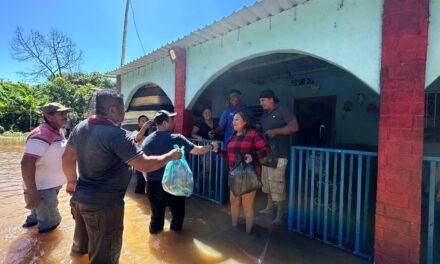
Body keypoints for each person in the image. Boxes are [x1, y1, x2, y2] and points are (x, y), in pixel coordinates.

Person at [62, 90, 182, 264]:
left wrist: (71, 181)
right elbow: (144, 164)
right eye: (122, 109)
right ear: (112, 110)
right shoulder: (116, 135)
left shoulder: (80, 127)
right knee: (105, 258)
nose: (124, 113)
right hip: (105, 207)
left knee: (80, 250)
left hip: (80, 201)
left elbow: (67, 157)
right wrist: (170, 156)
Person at [141, 110, 218, 234]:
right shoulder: (176, 137)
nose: (174, 122)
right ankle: (176, 241)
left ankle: (156, 241)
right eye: (171, 120)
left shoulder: (147, 140)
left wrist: (147, 182)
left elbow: (143, 164)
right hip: (174, 184)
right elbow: (197, 150)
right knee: (177, 215)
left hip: (153, 184)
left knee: (156, 217)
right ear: (165, 123)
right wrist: (212, 146)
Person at [20, 102, 72, 233]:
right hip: (41, 189)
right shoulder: (41, 134)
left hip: (48, 188)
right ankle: (41, 251)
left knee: (36, 220)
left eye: (66, 113)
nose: (65, 116)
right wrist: (33, 194)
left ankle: (30, 240)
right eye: (61, 114)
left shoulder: (57, 131)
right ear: (49, 117)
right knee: (50, 226)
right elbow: (26, 164)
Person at [215, 111, 269, 233]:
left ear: (245, 122)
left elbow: (266, 149)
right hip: (234, 175)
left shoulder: (253, 134)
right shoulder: (232, 136)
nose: (233, 122)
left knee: (247, 206)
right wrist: (218, 151)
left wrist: (253, 156)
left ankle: (248, 234)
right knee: (234, 203)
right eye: (233, 120)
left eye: (237, 119)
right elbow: (229, 155)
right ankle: (234, 228)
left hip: (249, 175)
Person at [258, 90, 299, 224]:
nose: (261, 103)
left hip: (280, 154)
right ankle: (269, 207)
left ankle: (279, 214)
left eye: (263, 100)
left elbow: (294, 127)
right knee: (267, 184)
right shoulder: (264, 116)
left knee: (277, 185)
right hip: (266, 155)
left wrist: (276, 131)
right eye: (260, 101)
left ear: (271, 99)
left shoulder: (283, 110)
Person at [132, 115, 153, 194]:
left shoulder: (151, 134)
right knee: (140, 184)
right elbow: (137, 139)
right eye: (143, 121)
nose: (145, 123)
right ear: (139, 123)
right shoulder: (135, 132)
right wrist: (144, 127)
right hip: (139, 162)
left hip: (150, 162)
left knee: (150, 184)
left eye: (146, 121)